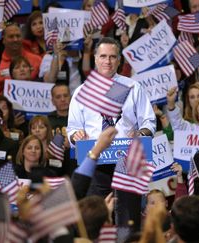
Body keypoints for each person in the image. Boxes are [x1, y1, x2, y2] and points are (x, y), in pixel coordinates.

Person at [67, 37, 156, 196]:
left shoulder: (133, 87)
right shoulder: (81, 92)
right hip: (95, 162)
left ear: (119, 60)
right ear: (95, 58)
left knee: (127, 216)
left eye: (112, 57)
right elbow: (72, 129)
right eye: (103, 56)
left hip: (127, 162)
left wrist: (141, 134)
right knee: (98, 215)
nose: (107, 61)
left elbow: (149, 121)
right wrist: (75, 135)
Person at [0, 23, 42, 96]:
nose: (15, 39)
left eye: (18, 36)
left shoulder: (37, 60)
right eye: (11, 37)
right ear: (3, 40)